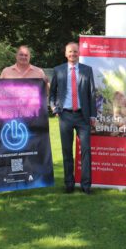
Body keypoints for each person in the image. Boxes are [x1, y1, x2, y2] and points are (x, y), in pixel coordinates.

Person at [49, 42, 96, 194]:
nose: (73, 54)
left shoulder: (87, 70)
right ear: (65, 53)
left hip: (83, 116)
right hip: (66, 115)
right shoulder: (58, 70)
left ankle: (86, 185)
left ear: (79, 53)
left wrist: (93, 114)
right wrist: (54, 108)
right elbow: (53, 93)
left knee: (86, 151)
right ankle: (69, 183)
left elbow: (92, 94)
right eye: (70, 52)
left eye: (75, 52)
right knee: (67, 151)